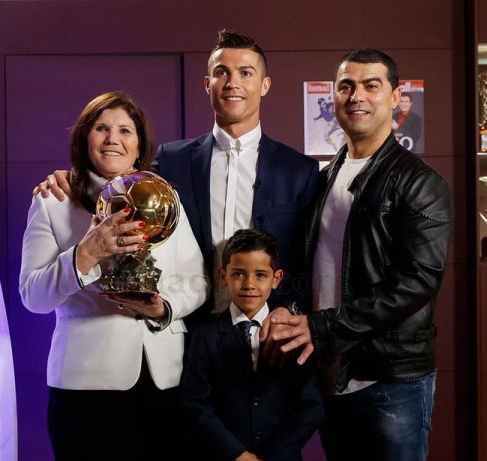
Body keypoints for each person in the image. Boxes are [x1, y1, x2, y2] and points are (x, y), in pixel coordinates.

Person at [266, 48, 453, 461]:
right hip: (333, 371)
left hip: (392, 375)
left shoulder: (419, 182)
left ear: (397, 98)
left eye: (372, 85)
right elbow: (312, 266)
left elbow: (417, 281)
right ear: (333, 97)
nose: (357, 96)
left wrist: (322, 328)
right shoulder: (326, 176)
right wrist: (292, 309)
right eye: (346, 85)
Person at [18, 91, 208, 461]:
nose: (113, 138)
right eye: (102, 128)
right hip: (87, 389)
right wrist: (86, 254)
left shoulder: (164, 199)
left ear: (140, 144)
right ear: (85, 138)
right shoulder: (54, 201)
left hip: (164, 383)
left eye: (125, 130)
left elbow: (198, 280)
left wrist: (163, 308)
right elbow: (32, 296)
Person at [36, 30, 319, 322]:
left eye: (245, 73)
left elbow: (309, 258)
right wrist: (72, 178)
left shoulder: (299, 171)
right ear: (207, 84)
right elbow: (121, 182)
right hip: (192, 333)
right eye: (221, 72)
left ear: (265, 85)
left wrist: (291, 309)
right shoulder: (172, 159)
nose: (232, 83)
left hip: (270, 330)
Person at [181, 229, 322, 461]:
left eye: (260, 274)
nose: (249, 284)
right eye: (238, 274)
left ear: (276, 278)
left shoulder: (294, 334)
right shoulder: (204, 336)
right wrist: (239, 457)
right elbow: (194, 403)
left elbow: (310, 408)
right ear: (223, 276)